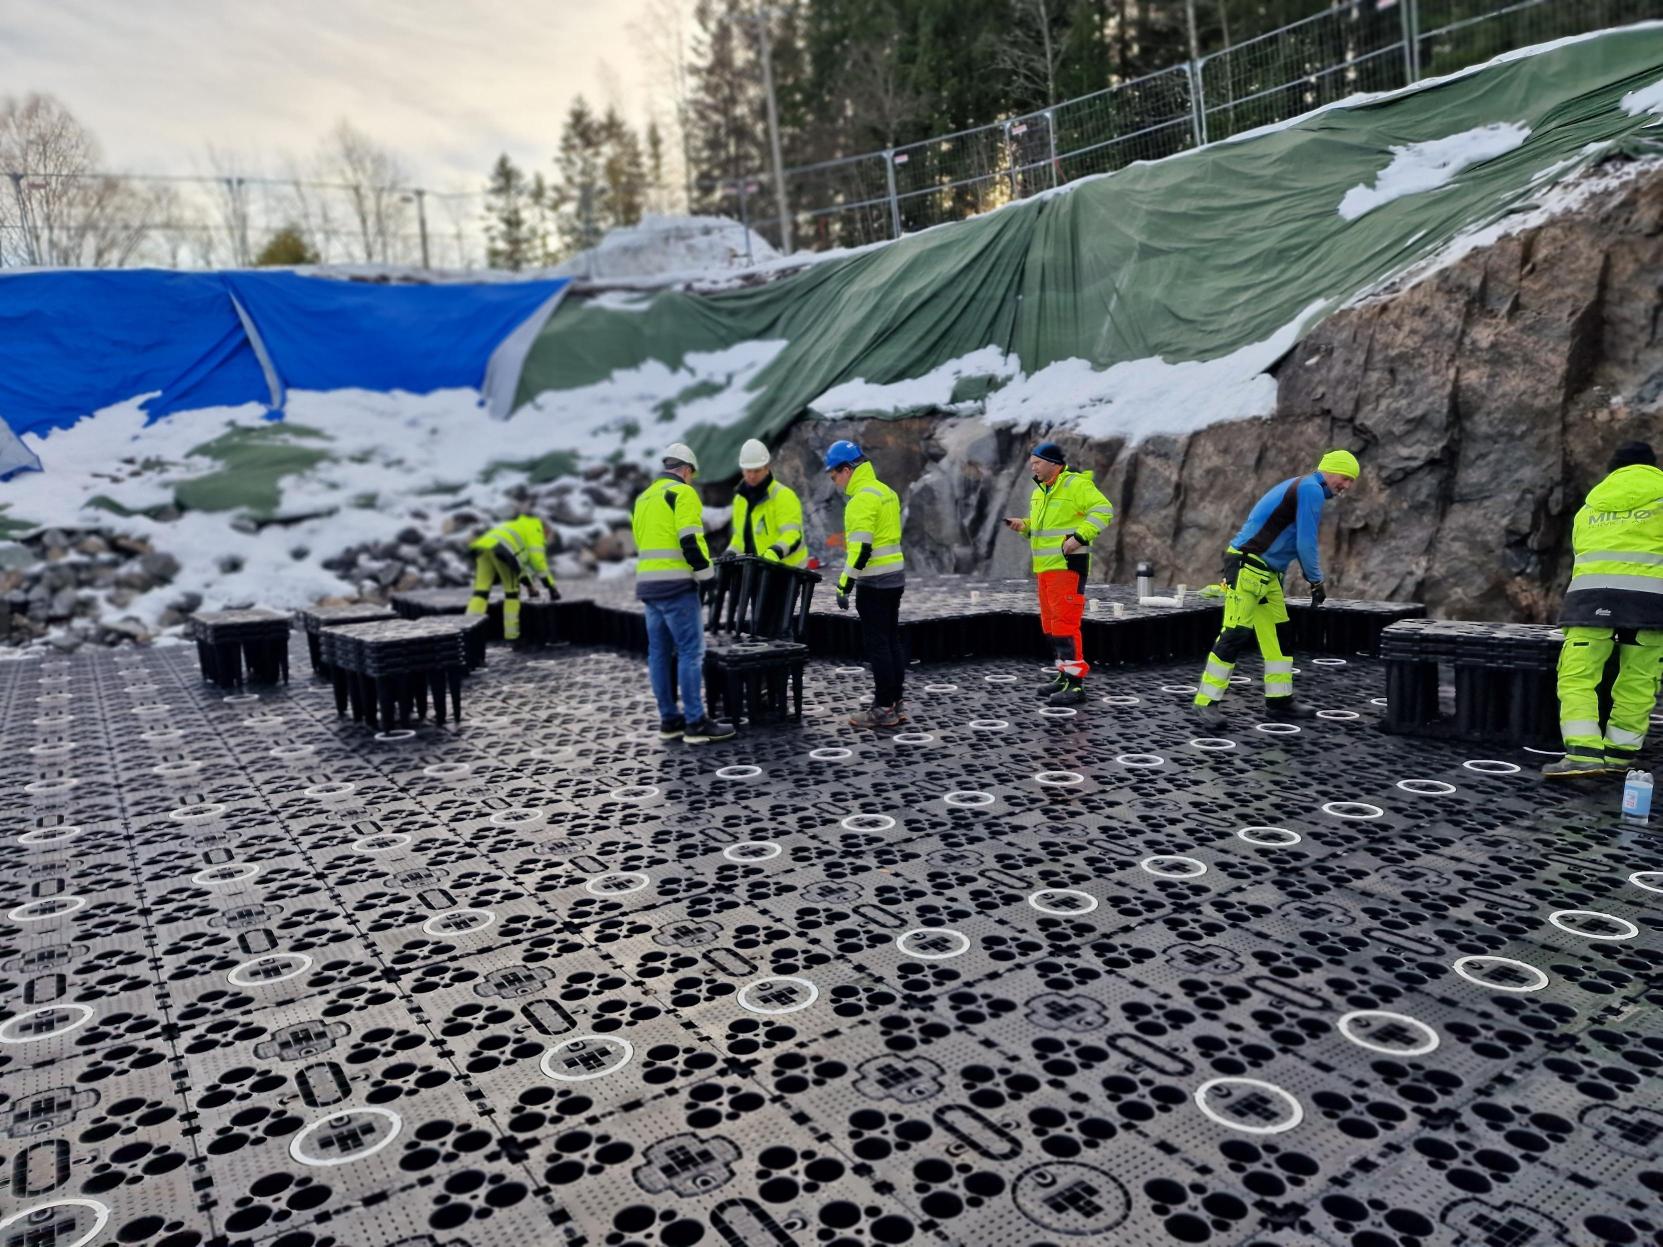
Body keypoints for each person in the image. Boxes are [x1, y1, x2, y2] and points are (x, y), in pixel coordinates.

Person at [1192, 450, 1360, 724]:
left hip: (1267, 574)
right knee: (1235, 634)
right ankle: (1205, 703)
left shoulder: (1305, 487)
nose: (1347, 486)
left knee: (1280, 636)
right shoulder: (1311, 490)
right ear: (1330, 471)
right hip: (1247, 567)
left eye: (1351, 481)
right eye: (1345, 478)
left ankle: (1280, 702)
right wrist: (1315, 580)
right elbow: (1306, 541)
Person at [1543, 440, 1663, 779]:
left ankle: (1582, 753)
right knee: (1638, 678)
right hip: (1651, 605)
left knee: (1579, 676)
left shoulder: (1590, 508)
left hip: (1590, 602)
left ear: (1613, 469)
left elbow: (1582, 553)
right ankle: (1620, 754)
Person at [631, 442, 735, 745]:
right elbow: (690, 540)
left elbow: (642, 542)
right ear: (687, 470)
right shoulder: (682, 493)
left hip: (649, 587)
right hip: (677, 587)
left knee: (659, 655)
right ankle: (695, 723)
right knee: (691, 652)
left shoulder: (644, 498)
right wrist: (707, 578)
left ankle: (669, 720)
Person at [1003, 441, 1115, 706]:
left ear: (1053, 463)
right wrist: (1024, 526)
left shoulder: (1075, 485)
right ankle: (1064, 676)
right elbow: (1044, 529)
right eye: (1032, 462)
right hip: (1046, 569)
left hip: (1066, 567)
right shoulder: (1041, 492)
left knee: (1065, 625)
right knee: (1052, 626)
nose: (1033, 467)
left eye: (1037, 462)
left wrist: (1079, 537)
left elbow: (1104, 510)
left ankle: (1076, 686)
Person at [826, 440, 907, 728]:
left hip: (873, 583)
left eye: (834, 474)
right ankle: (896, 701)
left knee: (879, 646)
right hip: (895, 579)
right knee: (891, 640)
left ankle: (883, 708)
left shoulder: (860, 500)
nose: (834, 481)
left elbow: (860, 550)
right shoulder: (886, 492)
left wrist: (844, 585)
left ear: (846, 470)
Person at [467, 514, 558, 642]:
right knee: (512, 594)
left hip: (483, 547)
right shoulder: (536, 529)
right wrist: (551, 587)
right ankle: (512, 634)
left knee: (481, 592)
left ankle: (468, 630)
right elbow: (538, 562)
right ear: (546, 529)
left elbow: (517, 565)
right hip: (502, 552)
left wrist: (529, 586)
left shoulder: (519, 525)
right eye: (547, 535)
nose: (546, 539)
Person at [727, 438, 807, 565]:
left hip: (787, 572)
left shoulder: (783, 496)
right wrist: (730, 553)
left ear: (767, 468)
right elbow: (739, 538)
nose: (752, 475)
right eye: (748, 471)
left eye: (757, 470)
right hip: (758, 571)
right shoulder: (740, 500)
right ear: (742, 470)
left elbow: (793, 534)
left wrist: (774, 552)